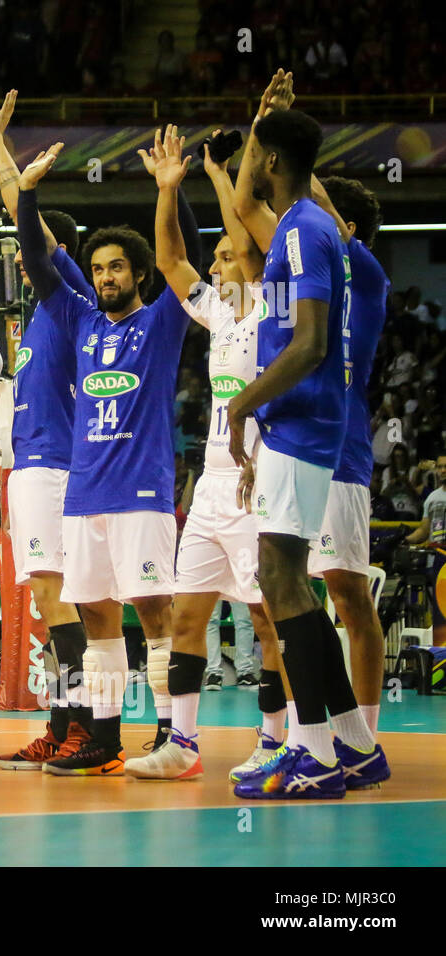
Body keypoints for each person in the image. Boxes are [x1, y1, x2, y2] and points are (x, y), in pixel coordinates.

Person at [227, 72, 384, 799]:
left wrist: (239, 405)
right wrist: (268, 120)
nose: (247, 160)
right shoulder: (305, 228)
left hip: (299, 422)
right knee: (292, 582)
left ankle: (314, 757)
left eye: (255, 149)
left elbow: (310, 343)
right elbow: (243, 200)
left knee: (280, 578)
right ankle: (351, 743)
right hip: (310, 425)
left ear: (274, 163)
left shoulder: (304, 231)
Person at [17, 135, 194, 777]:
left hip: (140, 494)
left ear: (140, 274)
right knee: (96, 620)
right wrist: (28, 192)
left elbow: (185, 258)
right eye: (97, 269)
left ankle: (176, 736)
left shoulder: (164, 321)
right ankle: (105, 737)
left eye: (117, 267)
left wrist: (170, 190)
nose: (106, 277)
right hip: (82, 496)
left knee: (155, 614)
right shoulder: (82, 322)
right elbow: (38, 262)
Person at [122, 123, 279, 781]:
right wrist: (168, 189)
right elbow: (169, 261)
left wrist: (233, 166)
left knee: (271, 621)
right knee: (189, 613)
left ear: (251, 261)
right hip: (211, 486)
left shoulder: (276, 305)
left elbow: (248, 219)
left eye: (224, 256)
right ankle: (182, 746)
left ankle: (278, 741)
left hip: (262, 481)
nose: (212, 264)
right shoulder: (220, 311)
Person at [0, 90, 95, 770]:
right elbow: (15, 208)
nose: (22, 254)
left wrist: (20, 189)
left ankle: (84, 724)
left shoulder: (68, 293)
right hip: (32, 468)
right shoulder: (38, 309)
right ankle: (63, 725)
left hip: (56, 466)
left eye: (34, 244)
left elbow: (28, 225)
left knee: (62, 601)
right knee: (51, 600)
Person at [304, 175, 394, 784]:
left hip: (341, 457)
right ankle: (304, 733)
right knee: (289, 598)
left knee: (347, 595)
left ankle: (363, 737)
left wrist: (291, 152)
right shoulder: (309, 286)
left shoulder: (366, 280)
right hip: (290, 451)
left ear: (347, 230)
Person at [407, 455, 446, 646]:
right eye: (439, 467)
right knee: (439, 617)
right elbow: (424, 529)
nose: (442, 471)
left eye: (445, 467)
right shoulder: (432, 497)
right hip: (438, 563)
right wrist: (405, 539)